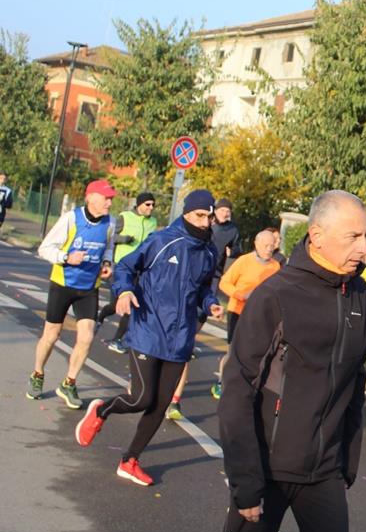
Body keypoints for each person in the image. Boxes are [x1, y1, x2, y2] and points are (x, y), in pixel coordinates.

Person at [216, 190, 366, 532]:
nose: (365, 247)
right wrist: (246, 479)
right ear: (317, 236)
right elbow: (238, 387)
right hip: (267, 469)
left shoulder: (362, 297)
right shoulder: (276, 294)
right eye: (353, 237)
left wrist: (347, 460)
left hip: (325, 471)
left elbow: (355, 380)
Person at [73, 189, 223, 487]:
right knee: (141, 398)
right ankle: (101, 410)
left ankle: (130, 460)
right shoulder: (163, 240)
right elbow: (127, 266)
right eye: (199, 216)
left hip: (180, 338)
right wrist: (124, 291)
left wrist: (210, 304)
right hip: (148, 329)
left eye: (209, 217)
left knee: (160, 404)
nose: (205, 223)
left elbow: (204, 288)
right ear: (186, 213)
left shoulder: (209, 252)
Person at [27, 180, 116, 409]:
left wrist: (107, 263)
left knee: (86, 337)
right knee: (51, 335)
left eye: (111, 199)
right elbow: (45, 248)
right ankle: (37, 374)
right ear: (91, 197)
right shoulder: (71, 219)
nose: (109, 203)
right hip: (63, 284)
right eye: (105, 198)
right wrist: (66, 257)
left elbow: (108, 247)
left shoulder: (110, 222)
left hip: (89, 287)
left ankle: (69, 383)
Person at [166, 196, 241, 418]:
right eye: (222, 211)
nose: (205, 222)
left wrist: (231, 252)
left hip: (208, 283)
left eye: (228, 211)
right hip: (176, 292)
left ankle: (175, 401)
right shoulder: (176, 235)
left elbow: (236, 251)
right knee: (169, 341)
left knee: (185, 343)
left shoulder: (231, 231)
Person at [209, 229, 281, 400]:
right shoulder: (244, 261)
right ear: (256, 244)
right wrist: (241, 295)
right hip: (238, 311)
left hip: (260, 316)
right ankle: (221, 382)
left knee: (252, 352)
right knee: (233, 350)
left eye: (272, 246)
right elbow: (225, 283)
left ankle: (244, 386)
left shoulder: (275, 267)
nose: (269, 249)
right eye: (266, 245)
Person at [97, 192, 157, 353]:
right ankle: (100, 317)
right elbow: (111, 237)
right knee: (114, 305)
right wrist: (124, 239)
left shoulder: (153, 222)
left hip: (139, 269)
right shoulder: (125, 217)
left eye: (153, 205)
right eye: (148, 204)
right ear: (139, 204)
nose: (151, 207)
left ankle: (117, 339)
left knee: (131, 306)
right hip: (121, 267)